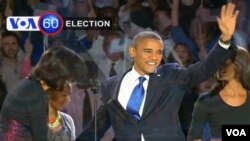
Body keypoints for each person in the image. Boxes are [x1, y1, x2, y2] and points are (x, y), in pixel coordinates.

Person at [76, 3, 238, 141]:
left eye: (159, 52)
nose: (154, 57)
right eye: (148, 51)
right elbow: (95, 129)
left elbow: (204, 69)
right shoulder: (112, 86)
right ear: (133, 51)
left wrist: (224, 40)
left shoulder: (171, 76)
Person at [0, 46, 87, 141]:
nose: (67, 84)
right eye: (68, 79)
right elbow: (40, 137)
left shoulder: (32, 84)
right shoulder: (34, 94)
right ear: (57, 75)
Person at [187, 48, 250, 141]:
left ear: (239, 65)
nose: (220, 66)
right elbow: (194, 138)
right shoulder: (206, 101)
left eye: (225, 62)